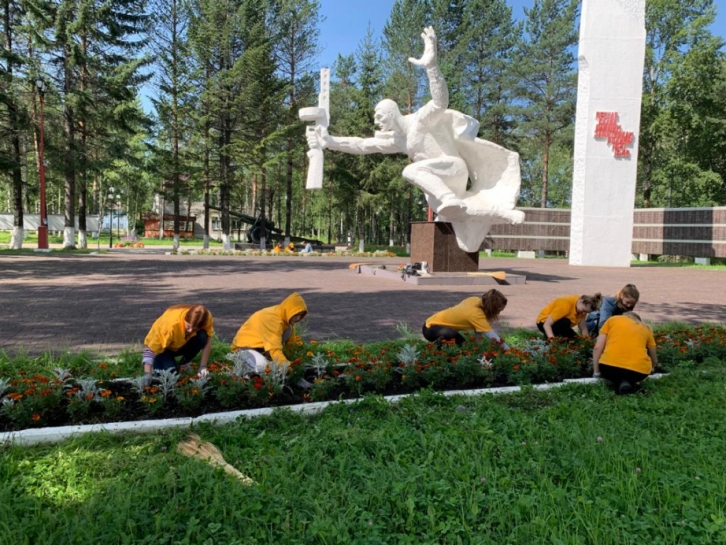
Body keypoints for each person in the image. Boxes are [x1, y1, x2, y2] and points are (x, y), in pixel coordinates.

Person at [306, 27, 523, 253]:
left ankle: (449, 198)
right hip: (438, 183)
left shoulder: (420, 120)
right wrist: (329, 141)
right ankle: (502, 213)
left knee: (410, 172)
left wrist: (432, 67)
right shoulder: (398, 140)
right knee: (465, 240)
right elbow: (362, 145)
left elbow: (440, 102)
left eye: (379, 116)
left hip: (453, 169)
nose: (377, 121)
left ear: (391, 113)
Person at [231, 292, 308, 373]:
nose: (298, 318)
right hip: (244, 348)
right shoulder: (273, 320)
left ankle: (267, 356)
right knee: (264, 369)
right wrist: (285, 365)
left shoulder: (286, 317)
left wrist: (292, 359)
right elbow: (273, 347)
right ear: (288, 310)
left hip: (261, 347)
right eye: (296, 315)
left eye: (301, 315)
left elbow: (290, 343)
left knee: (288, 330)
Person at [142, 304, 214, 381]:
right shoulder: (169, 326)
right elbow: (150, 350)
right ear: (185, 318)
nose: (190, 331)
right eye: (188, 326)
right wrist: (147, 374)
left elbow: (207, 342)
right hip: (162, 350)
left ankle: (184, 363)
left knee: (202, 336)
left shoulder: (206, 318)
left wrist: (203, 366)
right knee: (171, 376)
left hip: (180, 343)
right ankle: (160, 364)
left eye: (195, 329)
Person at [592, 312, 657, 395]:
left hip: (608, 368)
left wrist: (596, 373)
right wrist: (653, 366)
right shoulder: (646, 328)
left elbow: (597, 348)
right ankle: (630, 384)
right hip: (639, 372)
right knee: (630, 375)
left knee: (616, 374)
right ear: (637, 320)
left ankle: (622, 383)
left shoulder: (612, 320)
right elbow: (653, 354)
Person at [423, 289, 510, 350]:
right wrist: (509, 351)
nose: (499, 313)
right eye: (498, 310)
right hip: (431, 330)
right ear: (492, 308)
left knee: (459, 342)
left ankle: (442, 349)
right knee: (462, 345)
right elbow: (493, 337)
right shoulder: (476, 315)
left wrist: (478, 347)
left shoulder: (474, 299)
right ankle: (437, 348)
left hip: (430, 324)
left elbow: (478, 328)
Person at [536, 293, 603, 340]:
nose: (583, 313)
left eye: (586, 312)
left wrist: (587, 341)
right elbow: (547, 325)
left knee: (575, 340)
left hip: (560, 325)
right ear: (581, 301)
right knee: (566, 322)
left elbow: (583, 328)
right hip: (544, 323)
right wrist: (552, 340)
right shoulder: (565, 304)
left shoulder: (582, 308)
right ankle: (547, 339)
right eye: (583, 310)